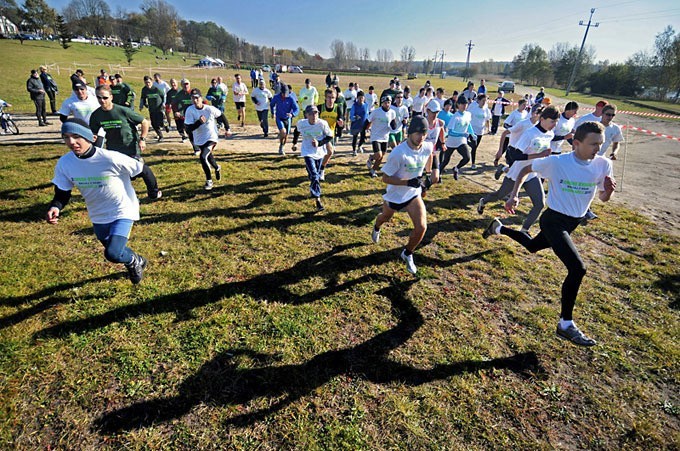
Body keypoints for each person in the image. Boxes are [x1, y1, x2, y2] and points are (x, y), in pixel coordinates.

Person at [483, 121, 616, 346]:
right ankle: (565, 324)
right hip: (554, 220)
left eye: (601, 144)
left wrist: (609, 192)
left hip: (573, 222)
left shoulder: (602, 164)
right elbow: (525, 168)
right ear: (576, 143)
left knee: (533, 246)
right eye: (593, 144)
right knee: (577, 268)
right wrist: (514, 194)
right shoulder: (557, 162)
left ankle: (498, 227)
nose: (598, 149)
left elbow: (603, 197)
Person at [46, 118, 149, 284]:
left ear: (89, 137)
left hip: (123, 209)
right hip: (98, 214)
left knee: (113, 253)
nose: (71, 142)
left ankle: (133, 261)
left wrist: (153, 191)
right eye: (66, 137)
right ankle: (135, 260)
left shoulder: (110, 158)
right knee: (112, 249)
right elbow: (62, 193)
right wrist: (56, 206)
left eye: (76, 136)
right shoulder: (65, 163)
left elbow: (143, 169)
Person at [370, 116, 440, 275]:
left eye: (423, 133)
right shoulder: (398, 153)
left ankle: (407, 253)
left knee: (422, 227)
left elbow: (432, 153)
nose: (421, 137)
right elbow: (385, 178)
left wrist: (429, 174)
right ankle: (376, 226)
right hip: (395, 196)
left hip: (413, 195)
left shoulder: (426, 146)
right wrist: (408, 182)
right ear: (409, 133)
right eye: (417, 133)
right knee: (384, 217)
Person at [478, 105, 559, 233]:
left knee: (539, 204)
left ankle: (524, 231)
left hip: (532, 174)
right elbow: (516, 155)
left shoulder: (550, 134)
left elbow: (543, 154)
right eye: (552, 121)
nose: (554, 125)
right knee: (500, 195)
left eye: (556, 122)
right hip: (517, 172)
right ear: (542, 119)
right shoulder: (530, 133)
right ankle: (484, 201)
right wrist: (539, 155)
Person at [89, 85, 162, 200]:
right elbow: (93, 134)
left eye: (105, 97)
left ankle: (154, 193)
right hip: (113, 149)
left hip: (130, 147)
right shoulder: (96, 115)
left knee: (141, 171)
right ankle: (124, 197)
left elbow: (144, 122)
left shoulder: (122, 111)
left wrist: (142, 139)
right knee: (120, 175)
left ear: (111, 97)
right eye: (99, 97)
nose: (102, 100)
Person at [184, 88, 232, 191]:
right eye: (193, 98)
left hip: (212, 137)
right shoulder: (190, 110)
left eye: (197, 98)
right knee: (208, 156)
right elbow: (188, 129)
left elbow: (221, 116)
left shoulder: (209, 109)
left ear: (201, 98)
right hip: (199, 138)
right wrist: (198, 123)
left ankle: (209, 181)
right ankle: (217, 167)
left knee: (203, 156)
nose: (195, 100)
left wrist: (228, 129)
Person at [297, 105, 335, 211]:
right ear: (306, 115)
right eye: (311, 114)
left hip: (319, 152)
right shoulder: (302, 123)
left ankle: (312, 184)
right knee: (314, 175)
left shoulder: (322, 124)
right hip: (307, 151)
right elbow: (296, 131)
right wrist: (295, 143)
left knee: (315, 175)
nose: (314, 116)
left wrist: (319, 143)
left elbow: (329, 136)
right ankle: (317, 199)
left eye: (316, 113)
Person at [440, 96, 475, 180]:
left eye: (466, 104)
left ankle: (456, 168)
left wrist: (472, 133)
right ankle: (438, 174)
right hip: (452, 142)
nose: (464, 106)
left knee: (467, 158)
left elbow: (468, 124)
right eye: (462, 104)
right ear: (458, 105)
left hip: (461, 142)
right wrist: (462, 134)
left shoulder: (468, 114)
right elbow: (450, 132)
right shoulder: (455, 117)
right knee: (446, 161)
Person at [366, 95, 397, 177]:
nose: (387, 104)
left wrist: (394, 125)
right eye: (385, 103)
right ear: (382, 103)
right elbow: (368, 121)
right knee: (378, 154)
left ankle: (373, 170)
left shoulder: (392, 112)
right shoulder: (376, 112)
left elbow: (393, 124)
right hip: (376, 136)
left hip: (385, 136)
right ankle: (371, 157)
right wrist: (366, 130)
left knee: (382, 156)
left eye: (389, 102)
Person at [269, 84, 299, 155]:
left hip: (287, 119)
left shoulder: (291, 98)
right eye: (283, 93)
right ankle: (281, 147)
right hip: (279, 118)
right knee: (283, 132)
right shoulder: (276, 97)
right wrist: (273, 112)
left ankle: (282, 145)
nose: (285, 95)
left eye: (286, 93)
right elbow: (271, 104)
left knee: (286, 136)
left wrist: (292, 114)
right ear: (281, 92)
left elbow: (296, 109)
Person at [468, 94, 491, 168]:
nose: (484, 102)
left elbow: (487, 119)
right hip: (473, 129)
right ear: (478, 100)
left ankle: (466, 142)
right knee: (474, 146)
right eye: (483, 100)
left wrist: (489, 128)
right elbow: (467, 116)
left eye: (485, 101)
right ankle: (473, 163)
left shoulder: (486, 109)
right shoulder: (473, 107)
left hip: (481, 131)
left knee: (475, 146)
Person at [139, 75, 166, 142]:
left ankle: (165, 125)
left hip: (159, 108)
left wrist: (163, 104)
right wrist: (142, 105)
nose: (148, 84)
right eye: (146, 83)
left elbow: (163, 96)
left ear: (151, 82)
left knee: (160, 123)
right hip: (151, 109)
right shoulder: (144, 89)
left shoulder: (156, 89)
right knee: (154, 124)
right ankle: (160, 136)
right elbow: (143, 98)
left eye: (149, 82)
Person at [172, 79, 195, 147]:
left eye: (187, 84)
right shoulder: (179, 94)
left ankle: (198, 145)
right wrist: (176, 111)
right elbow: (174, 104)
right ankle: (195, 147)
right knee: (188, 131)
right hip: (183, 115)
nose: (186, 86)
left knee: (194, 131)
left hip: (193, 115)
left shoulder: (193, 92)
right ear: (181, 85)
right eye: (184, 84)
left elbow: (202, 101)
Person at [349, 90, 369, 156]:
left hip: (363, 125)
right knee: (355, 137)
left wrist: (368, 123)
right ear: (357, 98)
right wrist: (355, 117)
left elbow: (367, 115)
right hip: (356, 125)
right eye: (360, 98)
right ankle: (354, 150)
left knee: (363, 137)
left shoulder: (366, 105)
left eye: (362, 98)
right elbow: (351, 116)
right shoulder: (354, 106)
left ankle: (359, 146)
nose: (361, 99)